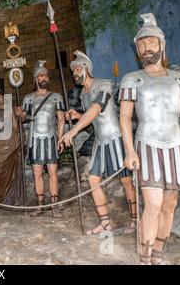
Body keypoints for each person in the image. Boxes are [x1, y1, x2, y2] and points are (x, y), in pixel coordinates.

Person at [119, 13, 180, 265]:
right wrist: (129, 151)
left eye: (151, 42)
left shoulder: (178, 78)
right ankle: (144, 260)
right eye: (142, 44)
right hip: (146, 145)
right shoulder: (132, 79)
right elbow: (125, 118)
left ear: (161, 45)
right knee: (153, 204)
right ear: (137, 50)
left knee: (170, 204)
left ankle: (157, 254)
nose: (146, 47)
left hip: (176, 145)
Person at [59, 51, 137, 235]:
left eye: (77, 69)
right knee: (93, 180)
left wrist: (74, 129)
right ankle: (105, 223)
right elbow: (92, 125)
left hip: (115, 137)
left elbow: (97, 109)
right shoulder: (83, 94)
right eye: (73, 71)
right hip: (100, 140)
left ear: (87, 68)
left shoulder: (104, 84)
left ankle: (135, 220)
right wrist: (78, 117)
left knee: (126, 180)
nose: (75, 74)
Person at [15, 61, 65, 217]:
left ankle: (54, 205)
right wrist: (19, 113)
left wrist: (61, 138)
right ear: (35, 79)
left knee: (53, 171)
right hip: (34, 139)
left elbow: (61, 119)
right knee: (37, 173)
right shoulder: (28, 98)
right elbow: (23, 118)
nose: (44, 78)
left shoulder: (56, 97)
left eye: (46, 75)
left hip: (50, 138)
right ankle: (40, 205)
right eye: (41, 75)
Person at [0, 94, 26, 205]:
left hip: (12, 144)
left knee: (14, 172)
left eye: (0, 96)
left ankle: (11, 199)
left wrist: (21, 115)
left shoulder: (12, 108)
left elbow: (18, 125)